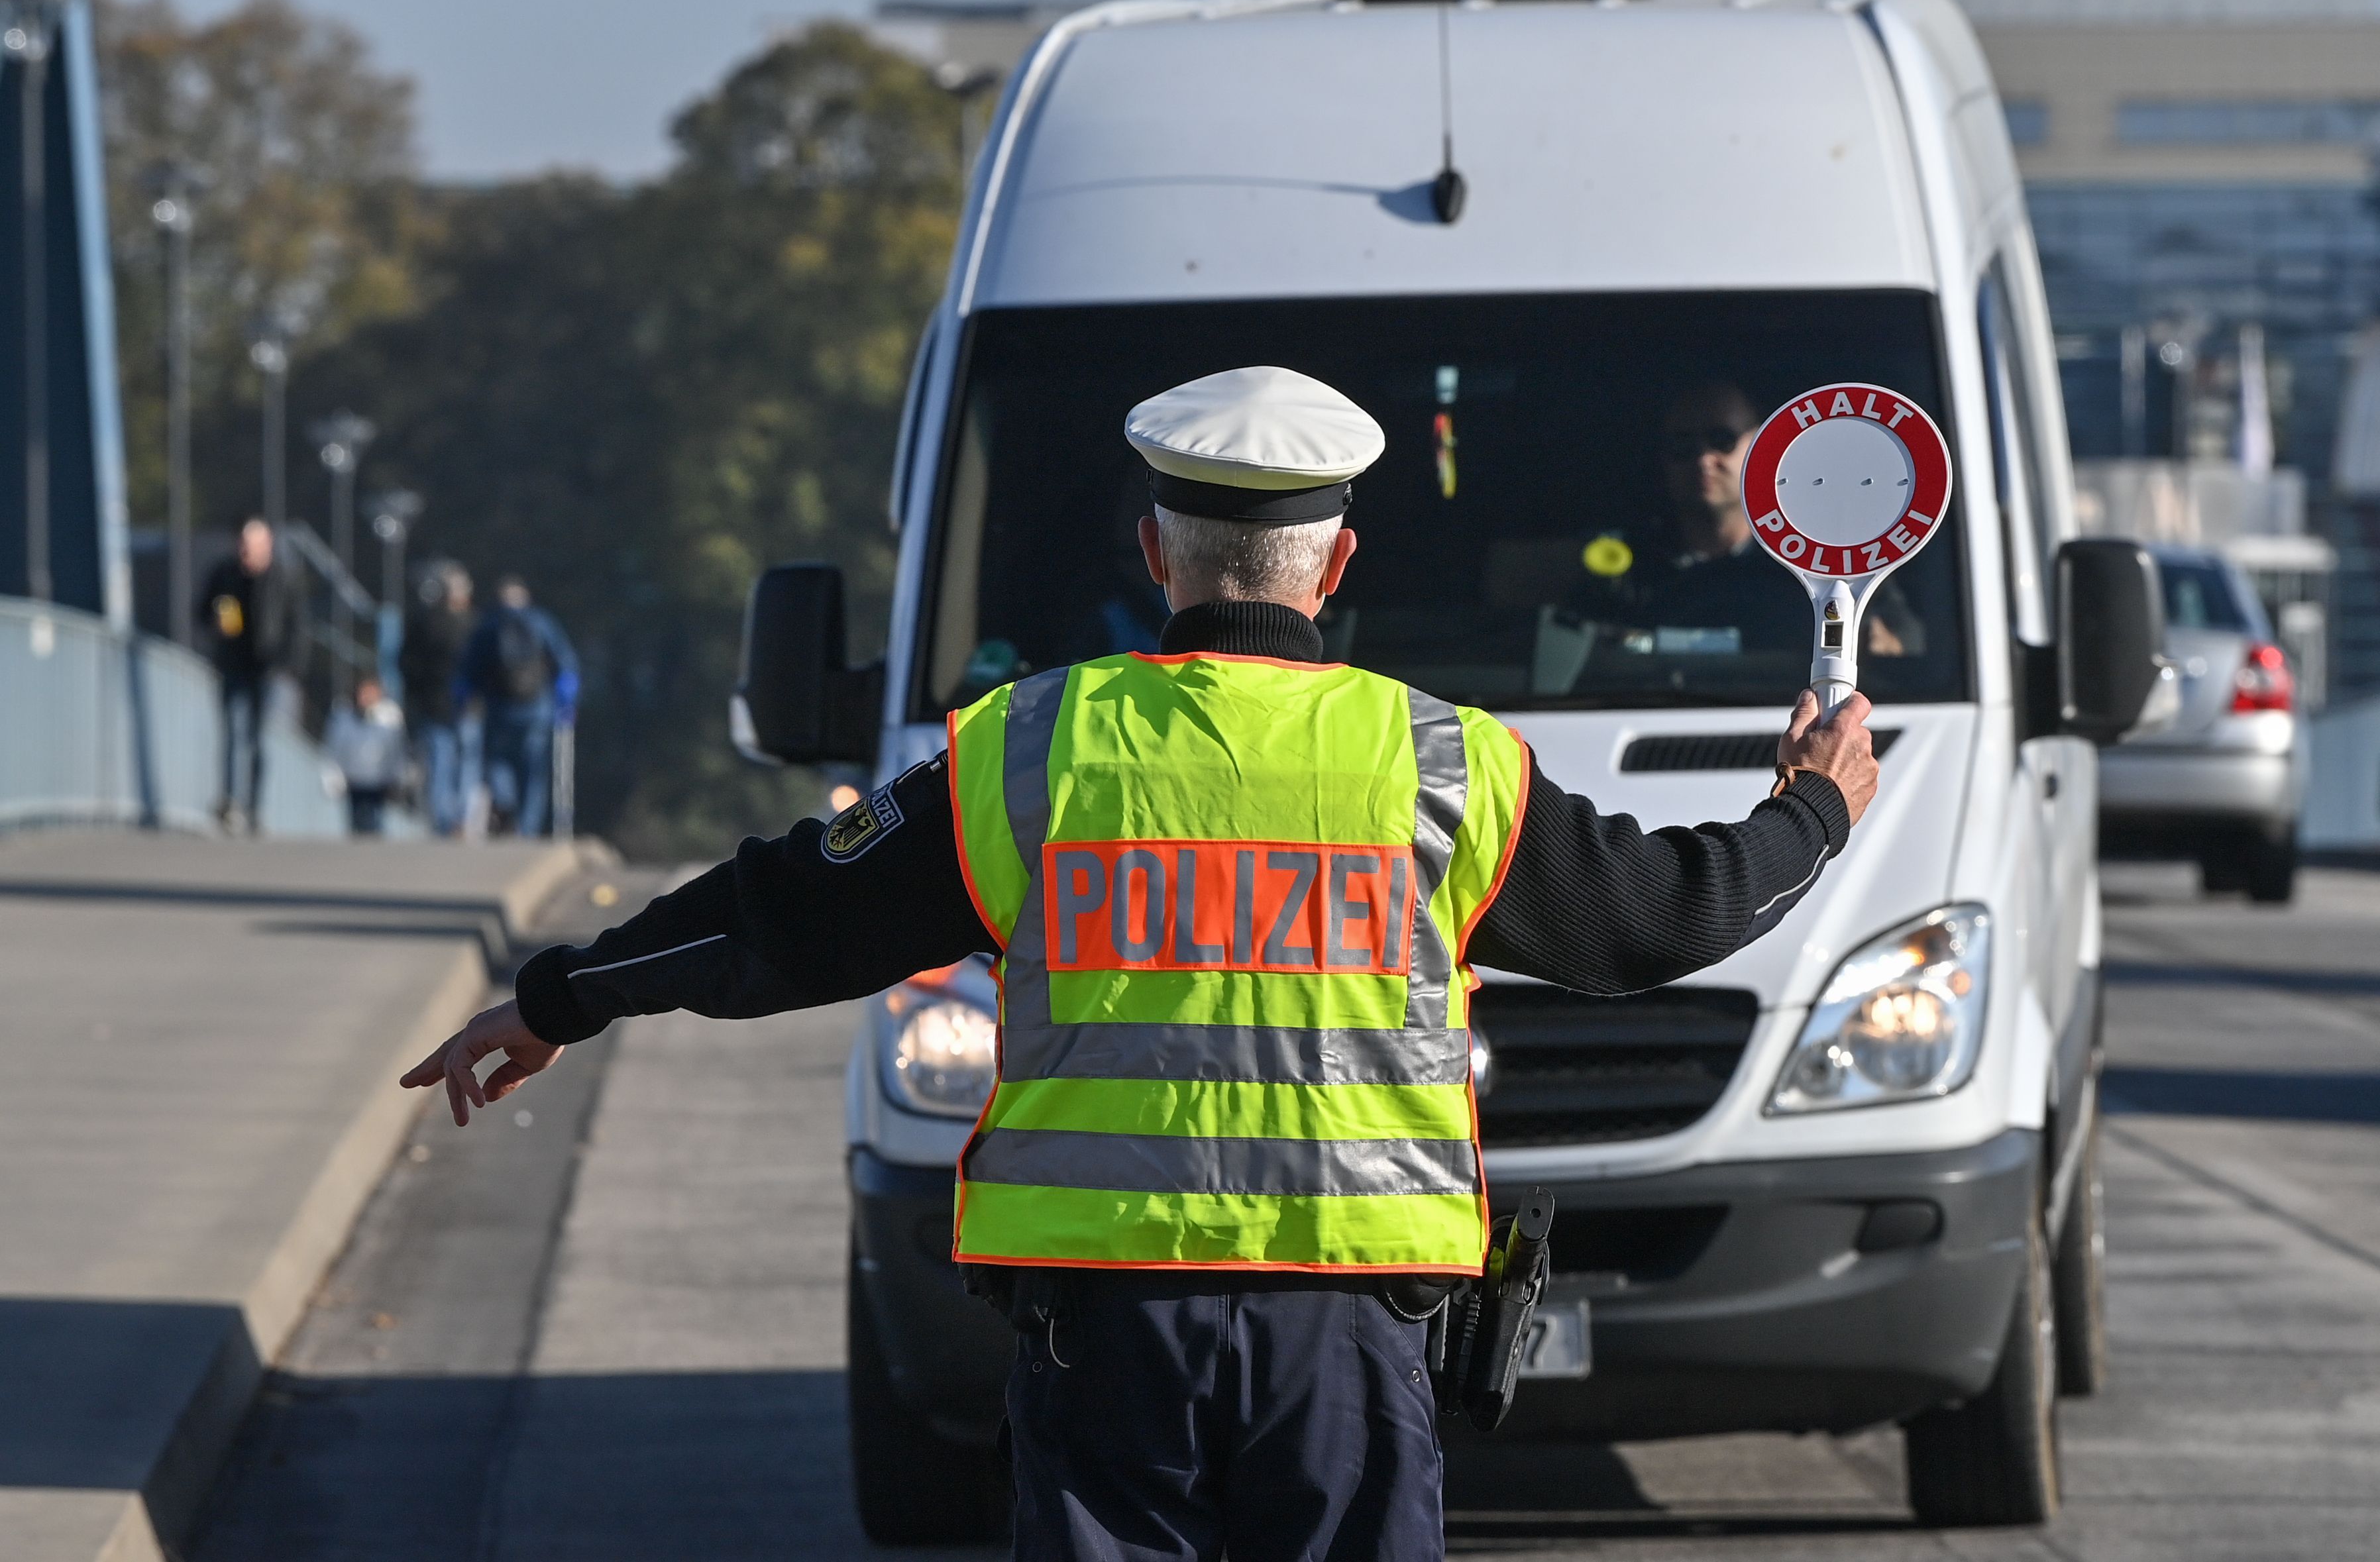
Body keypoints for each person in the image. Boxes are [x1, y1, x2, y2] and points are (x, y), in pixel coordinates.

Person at [402, 366, 1879, 1562]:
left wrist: (558, 997)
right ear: (1338, 561)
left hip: (1105, 1331)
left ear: (1155, 552)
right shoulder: (1440, 761)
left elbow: (779, 913)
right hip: (1346, 1332)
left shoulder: (1026, 749)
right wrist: (1810, 804)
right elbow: (1659, 921)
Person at [1645, 382, 1917, 655]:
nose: (1703, 459)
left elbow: (1910, 643)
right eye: (1682, 445)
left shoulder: (1820, 560)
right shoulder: (1630, 568)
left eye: (1722, 440)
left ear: (1760, 445)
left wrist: (1884, 645)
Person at [196, 517, 301, 833]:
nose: (245, 552)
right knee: (230, 733)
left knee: (256, 739)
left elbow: (297, 624)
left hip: (265, 668)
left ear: (266, 546)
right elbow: (200, 611)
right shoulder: (224, 573)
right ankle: (229, 803)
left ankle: (254, 808)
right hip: (231, 664)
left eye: (252, 546)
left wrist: (289, 665)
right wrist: (214, 619)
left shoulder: (283, 577)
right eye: (242, 545)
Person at [456, 576, 578, 837]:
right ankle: (528, 827)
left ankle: (506, 806)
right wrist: (566, 699)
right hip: (537, 708)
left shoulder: (488, 626)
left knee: (498, 762)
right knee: (533, 769)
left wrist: (465, 699)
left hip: (499, 708)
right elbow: (565, 662)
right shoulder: (542, 622)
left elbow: (469, 670)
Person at [400, 562, 476, 835]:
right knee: (464, 766)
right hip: (466, 708)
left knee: (439, 766)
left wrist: (415, 697)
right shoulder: (472, 626)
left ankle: (443, 823)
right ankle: (461, 820)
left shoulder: (423, 622)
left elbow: (406, 665)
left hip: (432, 706)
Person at [325, 676, 409, 835]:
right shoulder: (345, 717)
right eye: (364, 693)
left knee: (375, 823)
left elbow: (397, 750)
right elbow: (336, 745)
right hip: (354, 779)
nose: (367, 698)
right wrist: (334, 773)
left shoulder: (390, 719)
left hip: (379, 781)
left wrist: (398, 777)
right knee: (355, 822)